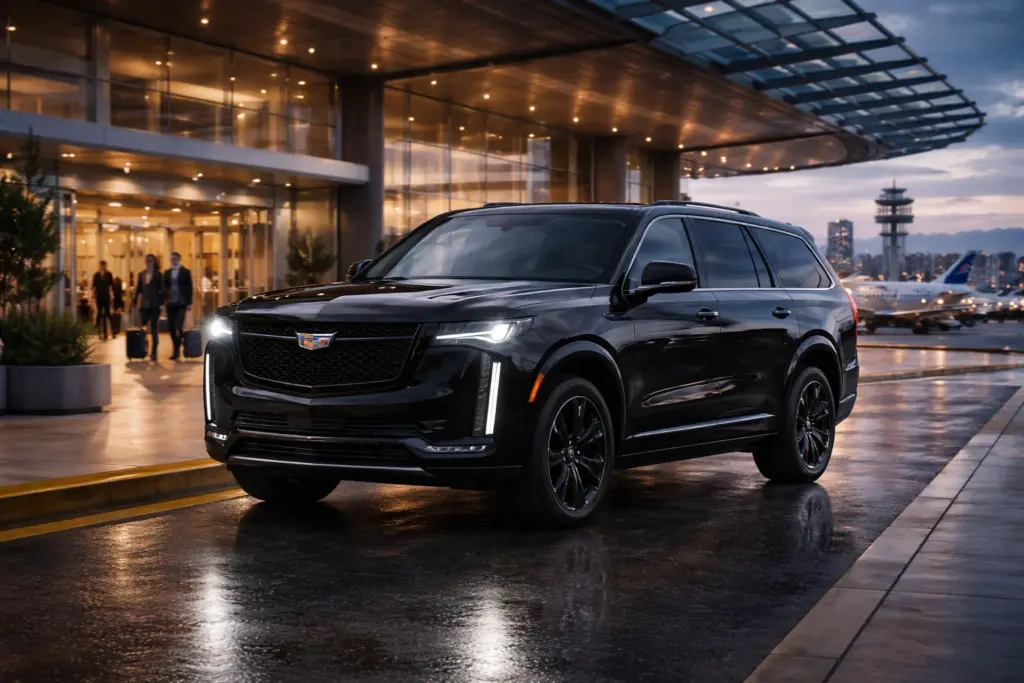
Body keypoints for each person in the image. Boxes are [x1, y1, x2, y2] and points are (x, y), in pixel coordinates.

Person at [135, 253, 165, 361]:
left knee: (153, 329)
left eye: (151, 261)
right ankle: (143, 349)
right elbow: (138, 289)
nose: (149, 262)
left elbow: (162, 290)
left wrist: (161, 304)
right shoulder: (141, 274)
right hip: (144, 305)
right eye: (147, 260)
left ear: (154, 262)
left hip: (154, 305)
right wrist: (135, 303)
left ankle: (154, 352)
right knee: (143, 328)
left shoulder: (158, 275)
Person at [164, 251, 193, 361]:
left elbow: (189, 287)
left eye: (174, 259)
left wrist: (189, 303)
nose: (173, 261)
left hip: (181, 302)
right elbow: (164, 286)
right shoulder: (167, 272)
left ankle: (179, 344)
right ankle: (176, 349)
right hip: (171, 303)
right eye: (171, 259)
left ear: (179, 259)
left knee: (179, 326)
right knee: (171, 327)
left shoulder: (185, 272)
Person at [92, 261, 115, 340]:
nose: (102, 267)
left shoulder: (109, 275)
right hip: (99, 296)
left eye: (104, 265)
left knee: (108, 313)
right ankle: (99, 330)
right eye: (101, 265)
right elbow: (94, 286)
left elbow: (112, 286)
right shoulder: (96, 275)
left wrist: (112, 297)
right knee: (99, 313)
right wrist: (93, 295)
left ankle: (112, 330)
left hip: (106, 296)